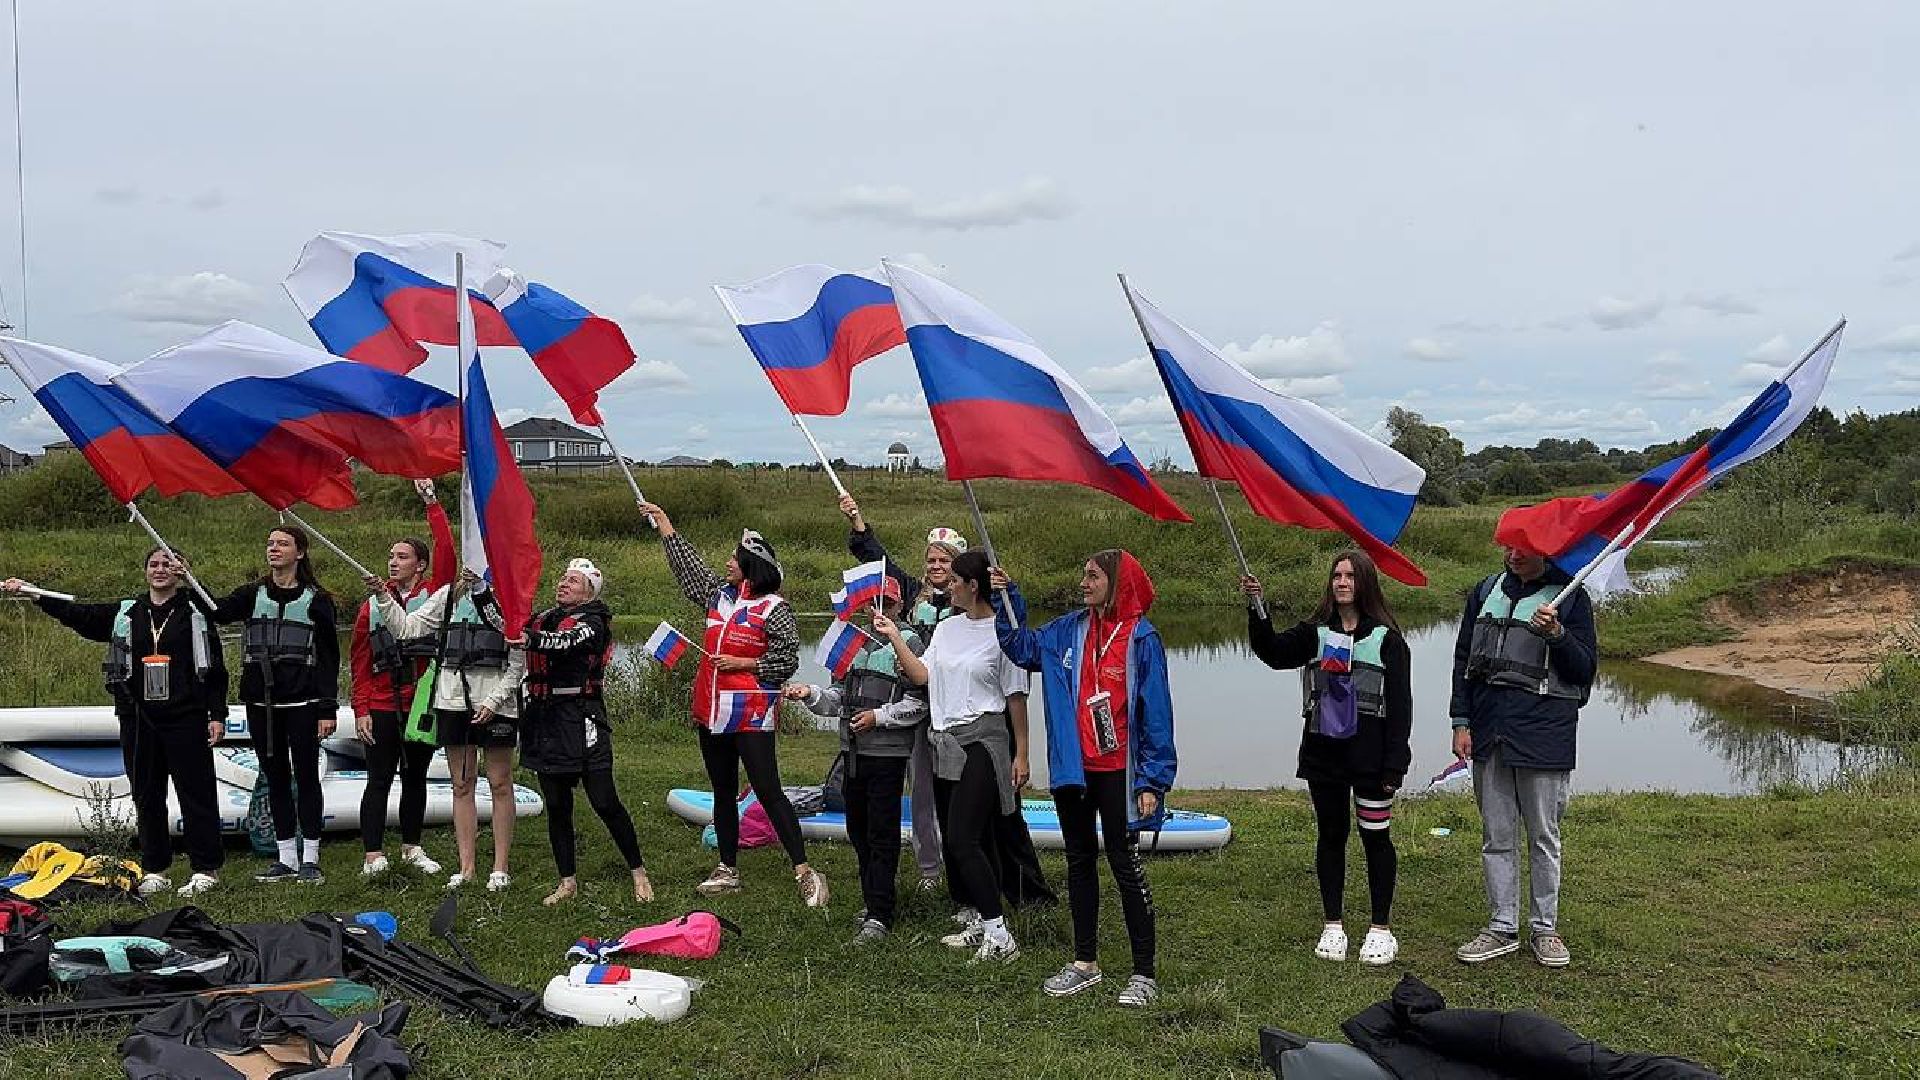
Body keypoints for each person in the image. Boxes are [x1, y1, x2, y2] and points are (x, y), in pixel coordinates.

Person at [842, 493, 1054, 910]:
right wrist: (859, 524)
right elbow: (879, 561)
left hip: (984, 724)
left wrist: (1008, 587)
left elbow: (1015, 631)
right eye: (933, 562)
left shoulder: (991, 616)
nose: (939, 570)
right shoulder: (919, 601)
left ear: (968, 579)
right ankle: (956, 891)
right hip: (930, 718)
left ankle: (1025, 893)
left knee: (1000, 817)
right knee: (934, 801)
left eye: (948, 564)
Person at [994, 551, 1173, 1007]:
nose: (1083, 581)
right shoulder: (1066, 631)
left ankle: (1144, 974)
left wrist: (1151, 780)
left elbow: (1157, 714)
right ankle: (1085, 964)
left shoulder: (1141, 638)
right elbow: (1020, 646)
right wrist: (1006, 595)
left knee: (1124, 863)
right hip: (1076, 771)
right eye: (1084, 573)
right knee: (1078, 862)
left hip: (1121, 774)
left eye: (1093, 575)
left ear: (1117, 582)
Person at [2, 552, 228, 899]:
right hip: (138, 717)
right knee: (147, 794)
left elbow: (215, 664)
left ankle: (205, 868)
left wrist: (216, 715)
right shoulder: (127, 612)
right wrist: (34, 593)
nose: (161, 570)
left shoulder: (196, 611)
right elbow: (82, 615)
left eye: (169, 564)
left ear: (181, 571)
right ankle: (155, 868)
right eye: (154, 564)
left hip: (187, 716)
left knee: (196, 793)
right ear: (145, 571)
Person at [637, 499, 827, 908]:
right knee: (722, 792)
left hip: (752, 711)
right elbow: (688, 570)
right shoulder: (717, 597)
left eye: (734, 559)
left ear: (751, 567)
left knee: (768, 790)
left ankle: (806, 870)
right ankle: (728, 868)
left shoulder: (775, 608)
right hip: (711, 709)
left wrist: (746, 661)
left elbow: (789, 658)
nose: (727, 563)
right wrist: (665, 525)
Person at [1243, 551, 1413, 967]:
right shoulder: (1316, 633)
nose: (1341, 582)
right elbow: (1273, 652)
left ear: (1365, 583)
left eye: (1350, 576)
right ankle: (1332, 924)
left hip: (1371, 760)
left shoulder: (1388, 641)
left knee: (1376, 838)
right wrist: (1257, 607)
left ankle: (1380, 929)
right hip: (1324, 757)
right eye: (1337, 575)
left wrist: (1395, 764)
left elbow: (1402, 707)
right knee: (1331, 836)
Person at [879, 550, 1032, 965]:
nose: (948, 586)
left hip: (984, 741)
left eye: (956, 581)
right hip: (944, 742)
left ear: (974, 585)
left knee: (963, 839)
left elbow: (1016, 698)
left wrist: (1023, 753)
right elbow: (923, 676)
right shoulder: (946, 629)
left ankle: (1000, 936)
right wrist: (894, 635)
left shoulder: (1004, 632)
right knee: (969, 838)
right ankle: (982, 922)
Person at [1450, 539, 1597, 969]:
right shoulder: (1483, 592)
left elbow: (1584, 670)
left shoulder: (1571, 597)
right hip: (1489, 729)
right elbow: (1463, 661)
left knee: (1543, 837)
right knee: (1496, 836)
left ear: (1546, 552)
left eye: (1526, 548)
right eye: (1510, 547)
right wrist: (1461, 720)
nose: (1515, 555)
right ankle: (1501, 926)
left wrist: (1558, 635)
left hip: (1542, 734)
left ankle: (1544, 929)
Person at [784, 576, 927, 944]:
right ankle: (874, 898)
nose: (879, 609)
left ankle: (880, 913)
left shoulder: (908, 642)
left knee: (882, 832)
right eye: (872, 602)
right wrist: (809, 693)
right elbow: (836, 697)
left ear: (900, 607)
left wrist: (878, 718)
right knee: (858, 831)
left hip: (888, 756)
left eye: (888, 602)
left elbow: (919, 704)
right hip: (852, 754)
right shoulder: (851, 645)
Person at [368, 566, 527, 892]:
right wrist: (382, 595)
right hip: (452, 701)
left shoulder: (510, 595)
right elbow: (407, 628)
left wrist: (495, 701)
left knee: (499, 782)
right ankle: (466, 868)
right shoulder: (448, 597)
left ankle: (500, 867)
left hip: (497, 702)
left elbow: (518, 657)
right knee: (461, 784)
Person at [207, 525, 339, 885]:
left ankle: (310, 856)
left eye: (282, 543)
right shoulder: (252, 594)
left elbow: (329, 658)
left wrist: (328, 708)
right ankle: (285, 858)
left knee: (307, 776)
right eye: (270, 543)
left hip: (304, 701)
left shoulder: (317, 599)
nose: (274, 549)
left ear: (300, 552)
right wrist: (187, 576)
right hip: (261, 702)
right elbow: (216, 612)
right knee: (275, 777)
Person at [517, 558, 652, 907]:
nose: (563, 584)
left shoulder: (594, 623)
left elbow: (564, 643)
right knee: (557, 805)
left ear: (589, 591)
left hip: (582, 718)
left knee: (604, 801)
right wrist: (480, 590)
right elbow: (506, 627)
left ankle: (638, 872)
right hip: (545, 719)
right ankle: (567, 881)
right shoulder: (543, 619)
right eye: (563, 578)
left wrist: (529, 637)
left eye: (573, 581)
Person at [350, 479, 455, 878]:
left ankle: (412, 847)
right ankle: (373, 855)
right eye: (391, 556)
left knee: (415, 777)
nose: (393, 563)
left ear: (421, 565)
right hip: (379, 703)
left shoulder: (435, 594)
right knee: (378, 779)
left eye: (403, 557)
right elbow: (359, 661)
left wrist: (431, 502)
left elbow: (447, 550)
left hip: (421, 704)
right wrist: (360, 709)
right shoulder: (372, 605)